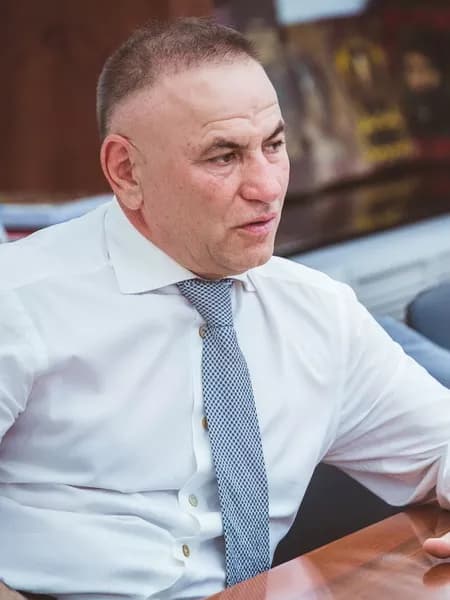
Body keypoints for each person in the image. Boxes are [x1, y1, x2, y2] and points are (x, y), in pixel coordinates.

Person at [0, 18, 450, 600]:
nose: (267, 186)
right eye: (223, 156)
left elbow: (440, 445)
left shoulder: (317, 313)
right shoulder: (19, 301)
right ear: (126, 171)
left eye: (274, 145)